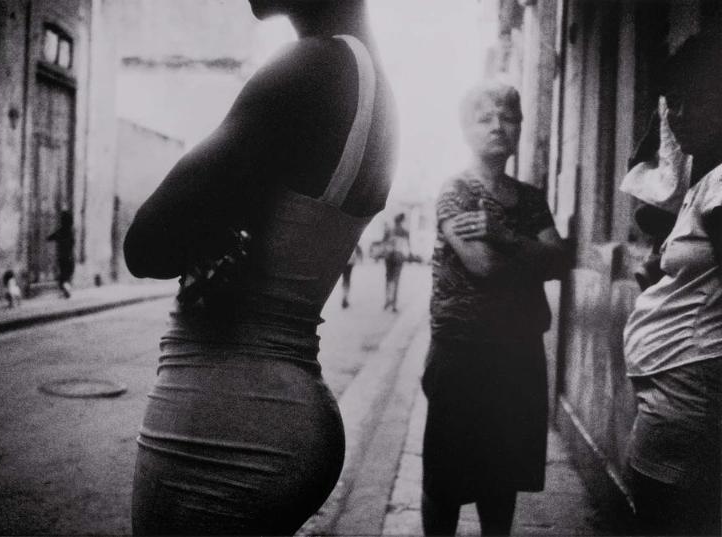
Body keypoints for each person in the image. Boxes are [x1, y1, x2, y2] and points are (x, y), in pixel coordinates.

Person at [123, 1, 397, 534]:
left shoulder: (309, 67)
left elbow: (146, 245)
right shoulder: (375, 89)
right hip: (279, 411)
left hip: (224, 425)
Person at [420, 81, 567, 536]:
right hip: (463, 353)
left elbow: (560, 261)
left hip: (517, 353)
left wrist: (502, 236)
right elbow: (480, 265)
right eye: (485, 118)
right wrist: (531, 256)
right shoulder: (456, 192)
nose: (498, 126)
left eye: (508, 117)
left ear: (520, 127)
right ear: (466, 129)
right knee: (446, 479)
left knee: (502, 478)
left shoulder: (530, 197)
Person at [622, 30, 722, 536]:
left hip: (690, 388)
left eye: (694, 100)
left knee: (664, 514)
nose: (676, 115)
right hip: (676, 385)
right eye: (672, 101)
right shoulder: (704, 179)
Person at [383, 212, 410, 312]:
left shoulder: (389, 231)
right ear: (401, 221)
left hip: (389, 257)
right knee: (396, 280)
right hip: (399, 257)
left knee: (388, 279)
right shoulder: (405, 232)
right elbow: (407, 247)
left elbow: (384, 244)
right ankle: (394, 304)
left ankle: (387, 300)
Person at [47, 210, 75, 298]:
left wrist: (48, 237)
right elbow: (72, 243)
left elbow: (51, 237)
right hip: (70, 256)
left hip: (62, 257)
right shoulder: (71, 232)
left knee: (63, 274)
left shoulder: (61, 231)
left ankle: (65, 290)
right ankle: (66, 289)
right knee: (67, 275)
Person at [341, 243, 362, 309]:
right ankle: (345, 297)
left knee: (345, 280)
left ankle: (345, 297)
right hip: (349, 263)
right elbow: (359, 253)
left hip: (346, 263)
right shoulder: (354, 243)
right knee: (347, 280)